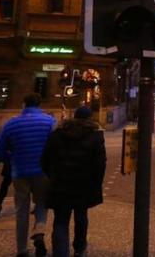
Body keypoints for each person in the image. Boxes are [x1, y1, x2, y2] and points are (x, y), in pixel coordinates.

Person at [0, 93, 55, 257]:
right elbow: (55, 147)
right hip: (42, 171)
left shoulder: (11, 124)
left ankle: (22, 249)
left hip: (20, 171)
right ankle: (39, 231)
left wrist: (12, 158)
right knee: (42, 203)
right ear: (39, 105)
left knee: (21, 210)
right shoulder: (49, 122)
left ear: (24, 105)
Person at [42, 107, 106, 257]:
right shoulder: (95, 137)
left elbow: (45, 160)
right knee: (81, 216)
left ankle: (60, 253)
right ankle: (79, 249)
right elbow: (100, 164)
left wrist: (52, 177)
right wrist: (96, 183)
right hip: (84, 185)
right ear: (89, 119)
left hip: (60, 184)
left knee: (61, 219)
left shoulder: (57, 135)